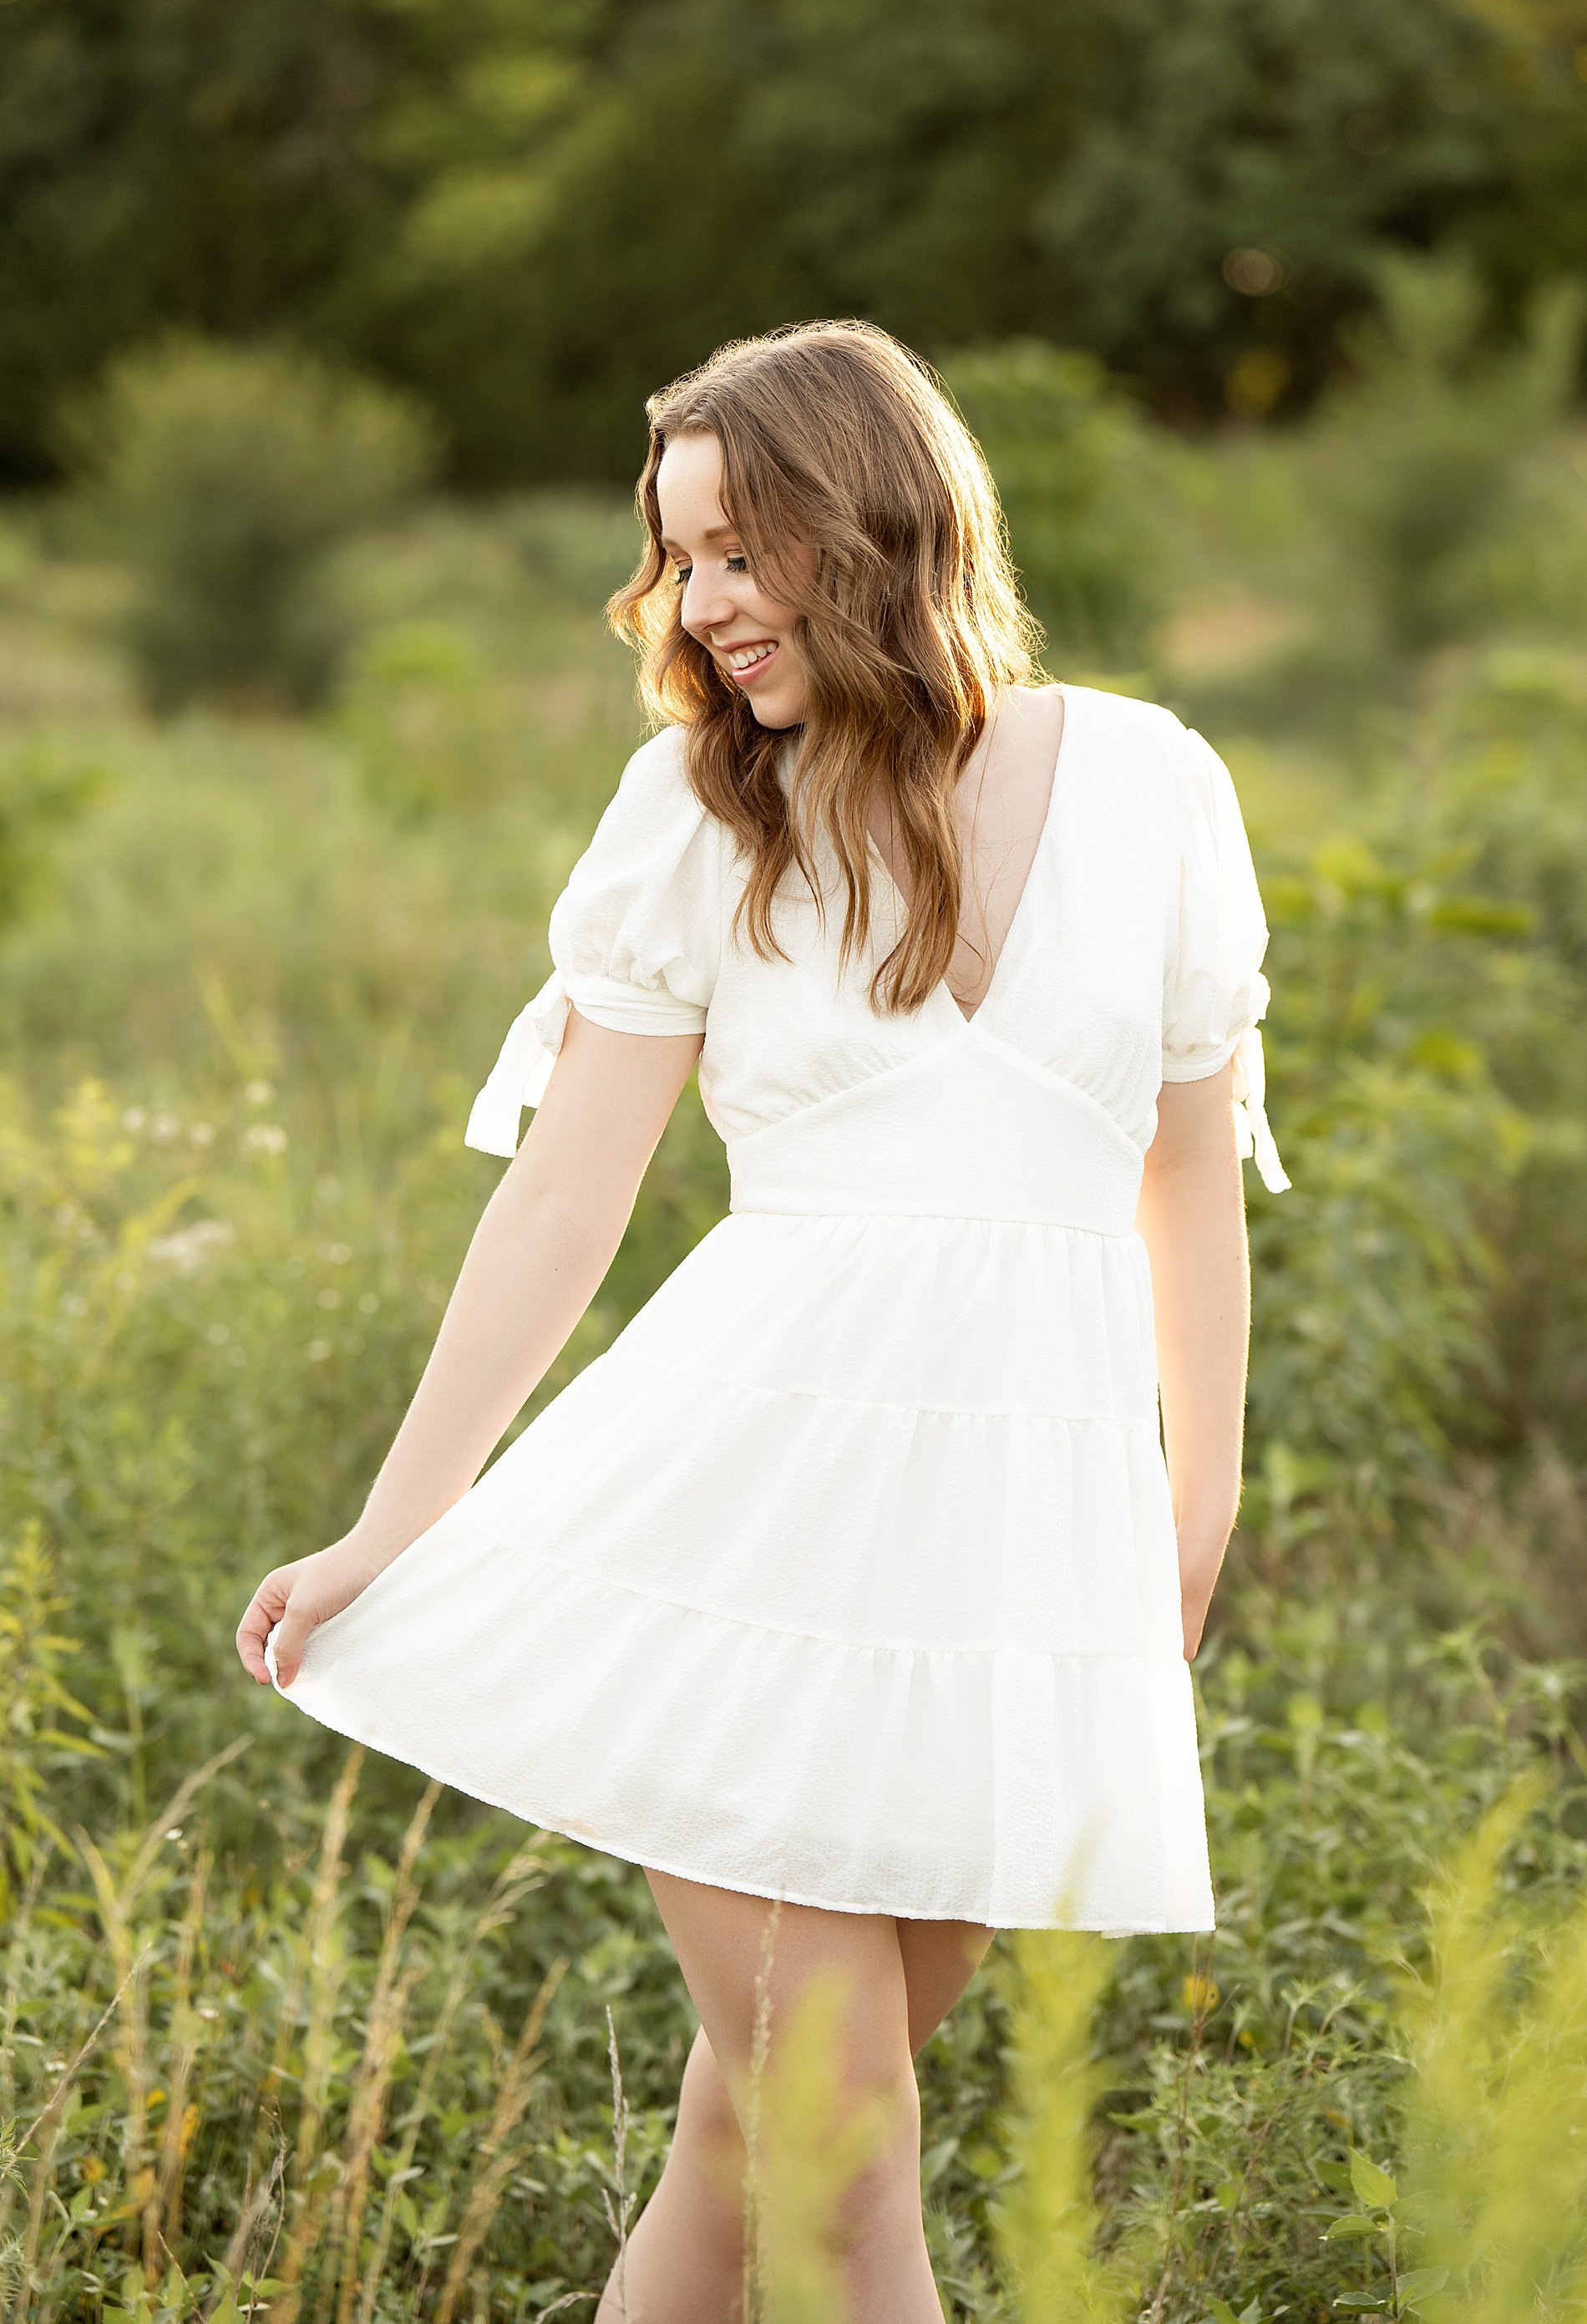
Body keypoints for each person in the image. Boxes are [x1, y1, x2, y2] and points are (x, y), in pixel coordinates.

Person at [236, 319, 1289, 2321]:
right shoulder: (698, 813)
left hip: (1004, 1550)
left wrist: (1199, 1491)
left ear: (873, 517)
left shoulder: (1156, 785)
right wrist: (397, 1523)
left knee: (755, 2134)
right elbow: (566, 1197)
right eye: (680, 558)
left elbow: (1181, 1167)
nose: (699, 605)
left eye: (738, 549)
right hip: (732, 1528)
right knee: (843, 2152)